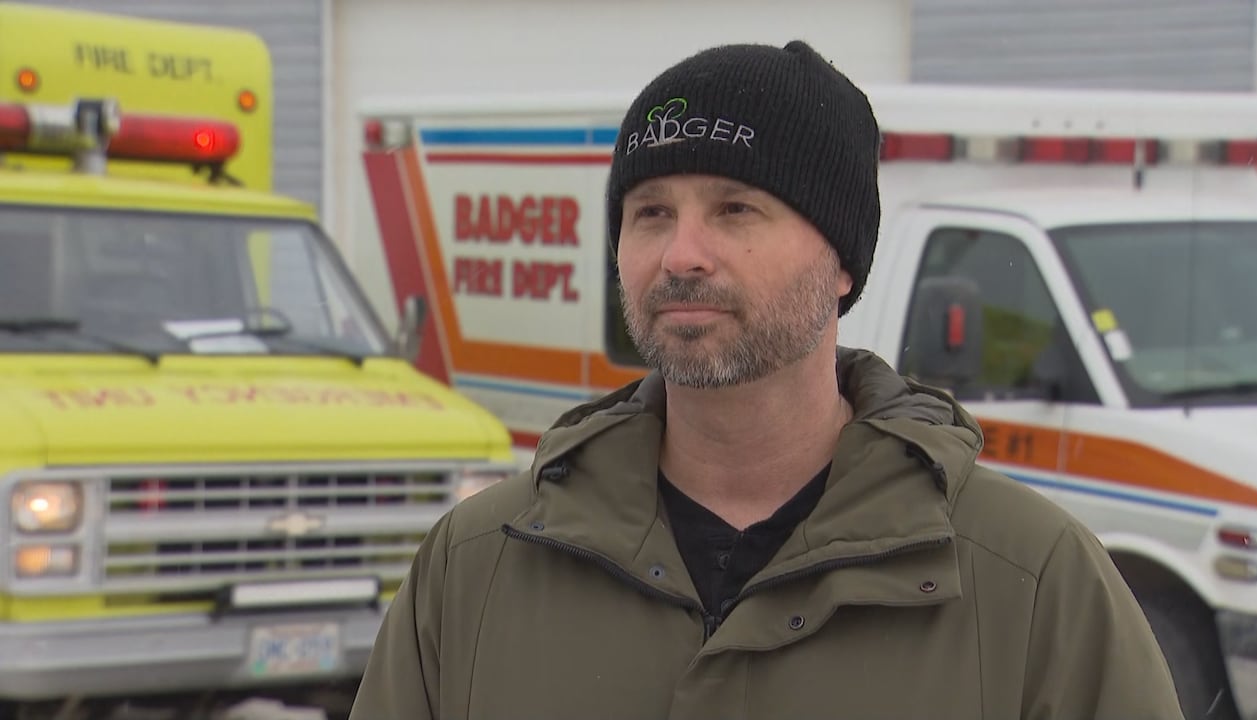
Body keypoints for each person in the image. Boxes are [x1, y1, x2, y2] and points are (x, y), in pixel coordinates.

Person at [351, 40, 1185, 720]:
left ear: (842, 265)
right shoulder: (476, 571)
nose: (680, 255)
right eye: (650, 213)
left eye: (735, 209)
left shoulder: (1030, 582)